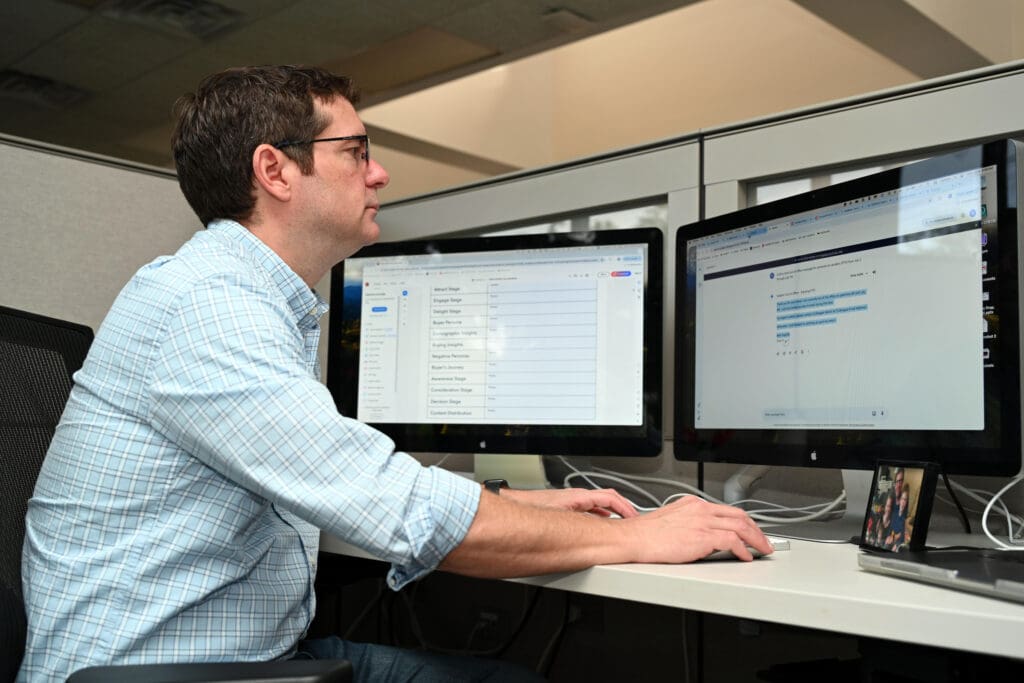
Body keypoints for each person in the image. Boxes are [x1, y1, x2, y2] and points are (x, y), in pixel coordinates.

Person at [18, 65, 771, 682]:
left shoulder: (240, 298)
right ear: (274, 170)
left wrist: (517, 508)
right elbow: (397, 505)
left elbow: (338, 476)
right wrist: (638, 538)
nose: (379, 172)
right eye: (355, 149)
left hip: (238, 660)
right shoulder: (207, 308)